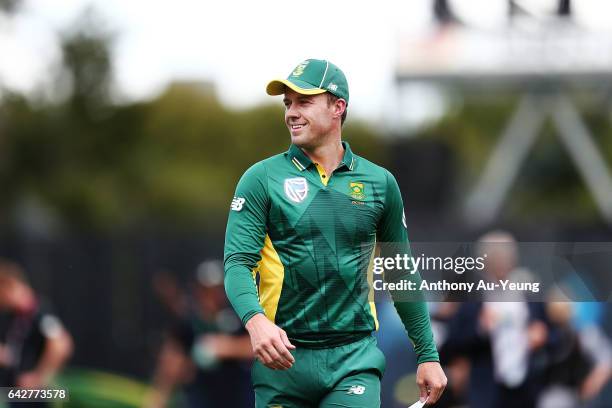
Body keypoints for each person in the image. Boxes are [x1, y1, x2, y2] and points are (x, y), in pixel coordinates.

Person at [224, 59, 446, 407]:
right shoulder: (261, 179)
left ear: (338, 107)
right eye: (288, 103)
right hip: (282, 360)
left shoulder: (380, 183)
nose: (291, 113)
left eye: (304, 102)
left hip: (352, 360)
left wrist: (428, 355)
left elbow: (401, 271)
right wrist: (256, 323)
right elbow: (237, 263)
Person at [0, 259, 73, 408]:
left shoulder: (39, 312)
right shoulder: (14, 316)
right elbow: (17, 353)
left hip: (33, 396)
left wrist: (38, 378)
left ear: (9, 286)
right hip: (16, 392)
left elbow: (61, 345)